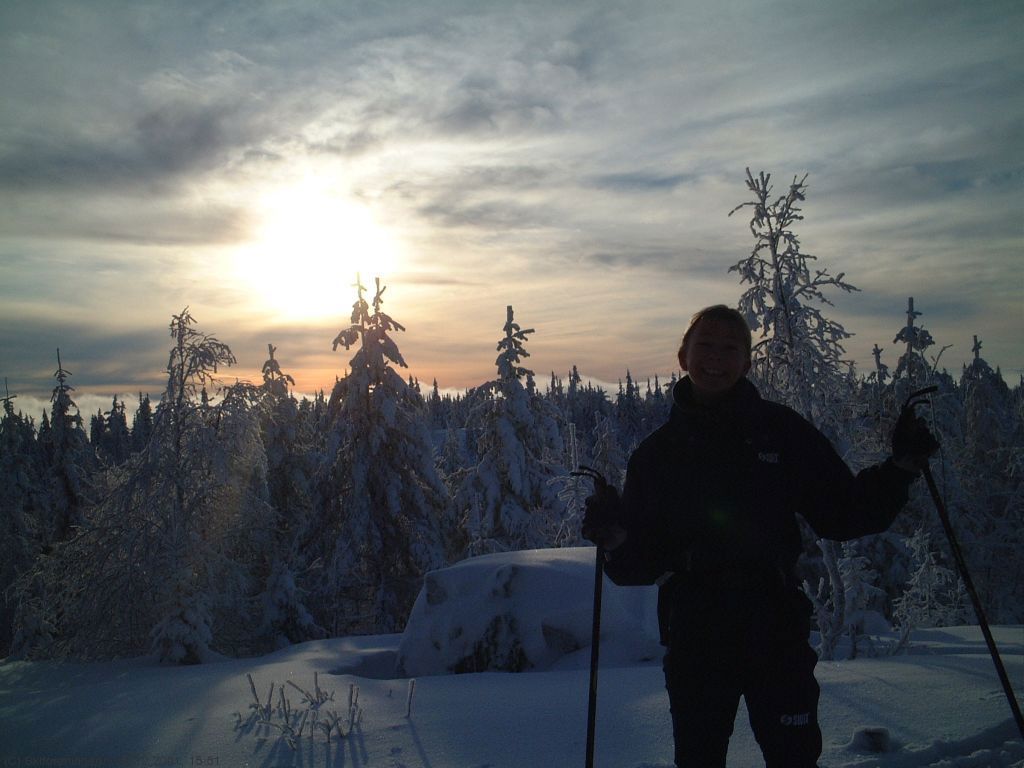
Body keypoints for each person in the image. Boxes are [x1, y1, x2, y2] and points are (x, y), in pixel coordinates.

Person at [581, 304, 937, 768]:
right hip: (696, 631)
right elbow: (639, 565)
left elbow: (841, 513)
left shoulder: (782, 432)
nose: (716, 357)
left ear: (747, 363)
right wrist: (614, 538)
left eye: (731, 348)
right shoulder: (657, 455)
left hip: (775, 624)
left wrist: (899, 470)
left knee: (793, 757)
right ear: (683, 355)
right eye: (705, 345)